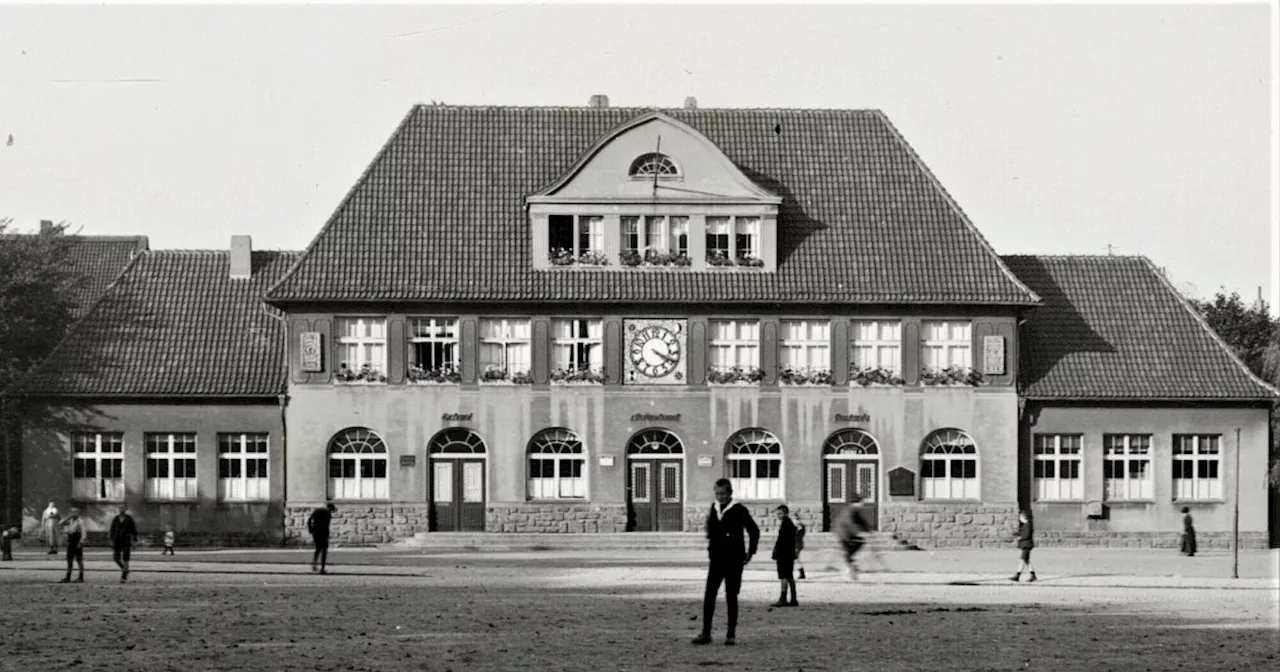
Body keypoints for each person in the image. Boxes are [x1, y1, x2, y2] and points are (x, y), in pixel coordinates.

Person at [692, 479, 759, 647]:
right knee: (709, 596)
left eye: (723, 494)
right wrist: (711, 545)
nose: (720, 497)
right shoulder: (714, 508)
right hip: (716, 560)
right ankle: (706, 633)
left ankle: (731, 634)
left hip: (734, 560)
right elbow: (710, 528)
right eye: (717, 494)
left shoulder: (739, 510)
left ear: (730, 494)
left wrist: (750, 552)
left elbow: (754, 530)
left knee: (731, 596)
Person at [833, 496, 871, 580]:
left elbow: (861, 521)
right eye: (862, 503)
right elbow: (850, 522)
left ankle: (849, 564)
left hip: (848, 533)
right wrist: (858, 532)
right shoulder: (849, 510)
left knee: (857, 545)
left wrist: (868, 530)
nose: (863, 504)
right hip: (843, 533)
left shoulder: (855, 511)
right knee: (853, 547)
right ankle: (849, 567)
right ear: (856, 503)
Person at [771, 505, 800, 607]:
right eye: (777, 514)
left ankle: (783, 598)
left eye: (780, 514)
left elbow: (782, 541)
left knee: (784, 576)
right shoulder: (788, 524)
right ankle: (793, 598)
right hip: (788, 554)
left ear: (786, 513)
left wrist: (777, 552)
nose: (778, 516)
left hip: (784, 554)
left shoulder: (786, 524)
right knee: (789, 576)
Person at [109, 505, 138, 583]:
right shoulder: (115, 519)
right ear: (118, 509)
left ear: (126, 509)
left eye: (123, 508)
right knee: (116, 558)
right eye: (120, 508)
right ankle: (125, 570)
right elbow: (112, 530)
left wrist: (134, 540)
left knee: (126, 558)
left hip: (126, 541)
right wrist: (111, 540)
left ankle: (123, 577)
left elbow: (133, 530)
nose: (121, 509)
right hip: (117, 541)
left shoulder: (129, 519)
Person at [307, 502, 336, 574]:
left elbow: (309, 520)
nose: (331, 511)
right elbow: (326, 525)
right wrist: (327, 535)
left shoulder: (317, 511)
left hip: (316, 532)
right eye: (331, 510)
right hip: (323, 533)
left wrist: (310, 529)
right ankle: (322, 568)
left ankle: (314, 564)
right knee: (324, 551)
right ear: (330, 508)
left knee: (317, 549)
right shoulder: (328, 514)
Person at [59, 508, 86, 583]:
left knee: (79, 560)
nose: (73, 514)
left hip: (77, 541)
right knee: (69, 559)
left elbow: (83, 532)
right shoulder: (70, 521)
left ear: (78, 513)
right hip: (70, 540)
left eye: (75, 512)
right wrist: (68, 517)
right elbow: (60, 523)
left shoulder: (80, 521)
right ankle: (68, 576)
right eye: (72, 512)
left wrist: (81, 542)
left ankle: (81, 577)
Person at [1010, 509, 1037, 583]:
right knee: (1026, 560)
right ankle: (1033, 575)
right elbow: (1021, 532)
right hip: (1026, 544)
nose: (1019, 518)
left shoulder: (1028, 525)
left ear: (1023, 517)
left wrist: (1020, 537)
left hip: (1026, 545)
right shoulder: (1025, 525)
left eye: (1020, 517)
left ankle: (1017, 575)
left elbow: (1027, 535)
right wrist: (1015, 533)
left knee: (1022, 560)